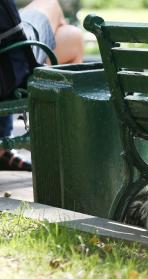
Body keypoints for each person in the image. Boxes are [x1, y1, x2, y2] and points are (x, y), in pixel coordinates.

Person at [0, 0, 84, 171]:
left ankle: (2, 143)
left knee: (73, 35)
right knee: (50, 3)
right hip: (10, 65)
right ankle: (70, 152)